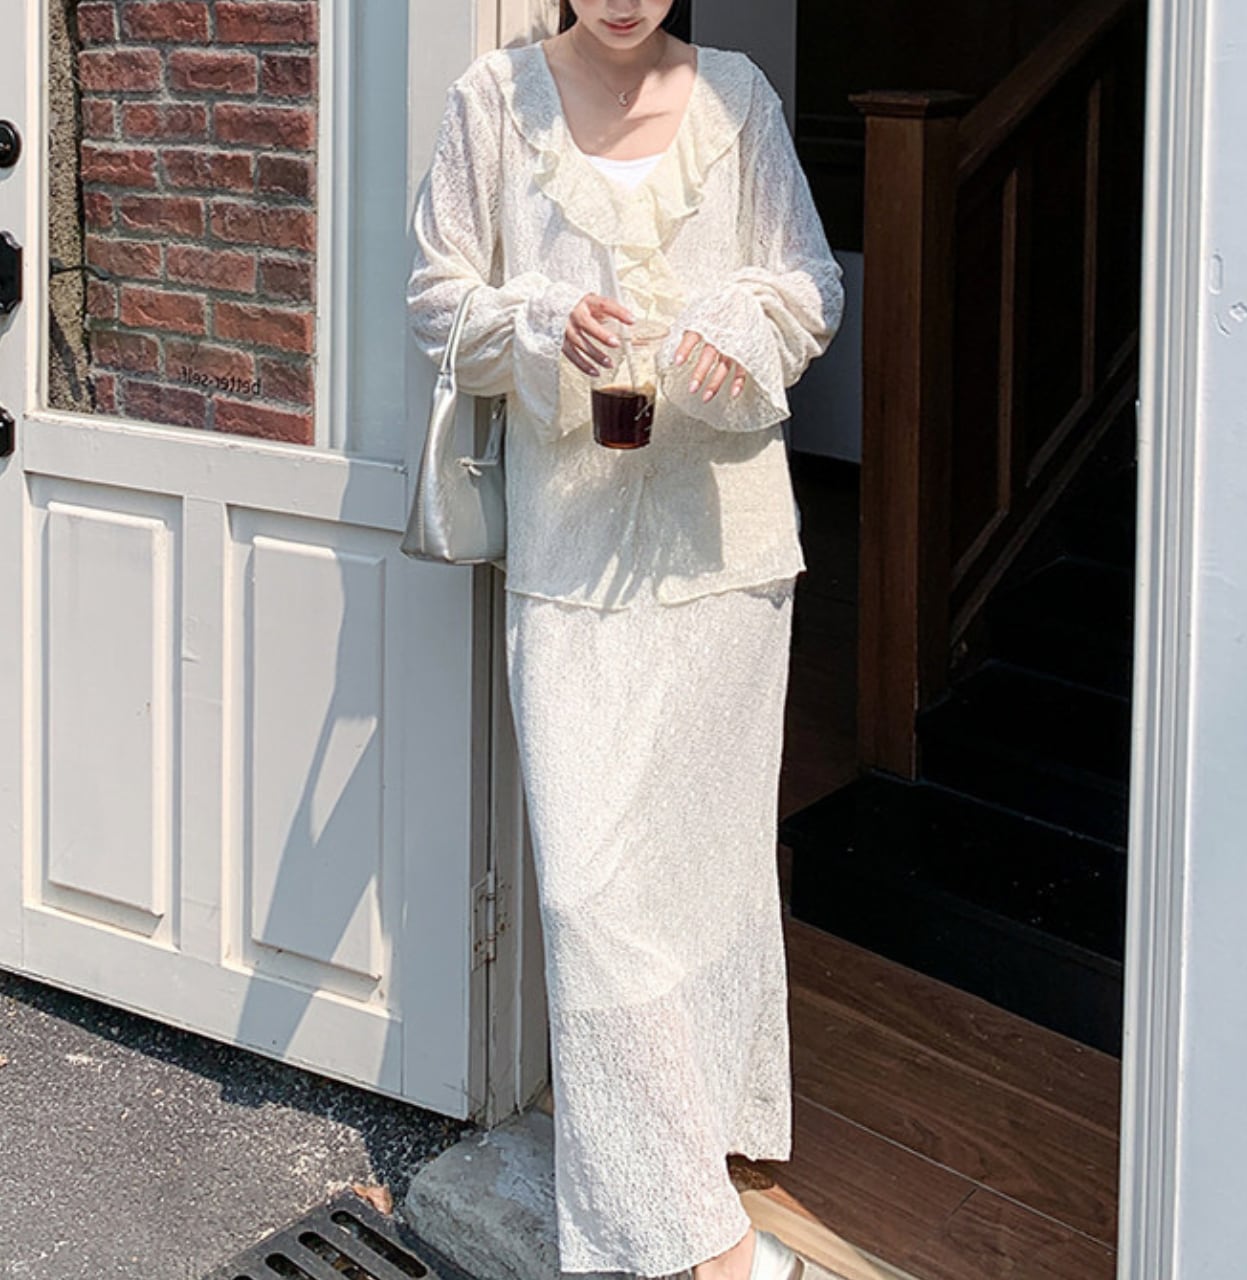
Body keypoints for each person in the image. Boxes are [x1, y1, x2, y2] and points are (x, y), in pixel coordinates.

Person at [407, 2, 844, 1277]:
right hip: (570, 559)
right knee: (587, 892)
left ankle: (700, 1135)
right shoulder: (493, 103)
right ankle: (695, 1233)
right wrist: (542, 324)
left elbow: (810, 283)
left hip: (727, 556)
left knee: (705, 875)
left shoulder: (738, 98)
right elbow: (437, 300)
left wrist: (741, 327)